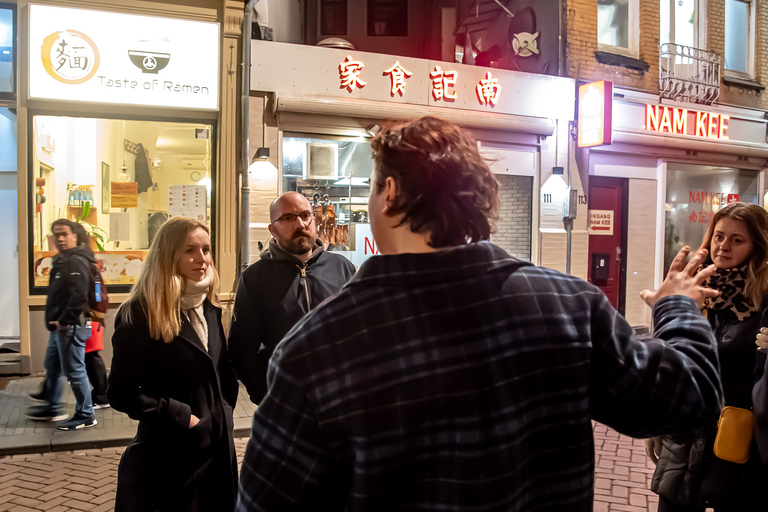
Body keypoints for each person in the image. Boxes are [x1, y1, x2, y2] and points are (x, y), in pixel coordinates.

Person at [235, 116, 724, 511]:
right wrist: (676, 306)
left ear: (388, 193)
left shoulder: (314, 348)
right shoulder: (569, 307)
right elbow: (691, 396)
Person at [108, 217, 239, 512]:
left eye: (206, 250)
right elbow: (121, 391)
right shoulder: (140, 313)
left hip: (217, 451)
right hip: (171, 457)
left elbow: (220, 370)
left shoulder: (210, 307)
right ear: (168, 255)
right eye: (190, 250)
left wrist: (224, 412)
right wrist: (181, 416)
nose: (202, 259)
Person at [644, 202, 768, 511]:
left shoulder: (764, 301)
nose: (723, 246)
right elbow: (672, 361)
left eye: (737, 240)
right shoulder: (694, 289)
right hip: (685, 436)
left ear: (757, 246)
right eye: (718, 236)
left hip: (737, 444)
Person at [228, 191, 355, 404]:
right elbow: (242, 347)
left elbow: (357, 333)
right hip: (286, 403)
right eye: (288, 218)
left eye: (306, 216)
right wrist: (264, 395)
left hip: (340, 398)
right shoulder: (255, 278)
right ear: (273, 229)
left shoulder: (342, 268)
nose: (300, 224)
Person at [27, 219, 96, 430]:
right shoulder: (62, 260)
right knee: (53, 367)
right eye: (56, 234)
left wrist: (64, 320)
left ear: (74, 236)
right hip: (59, 328)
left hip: (70, 326)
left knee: (75, 371)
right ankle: (52, 407)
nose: (60, 238)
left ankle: (86, 414)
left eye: (64, 234)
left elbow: (79, 296)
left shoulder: (76, 261)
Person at [70, 222, 110, 409]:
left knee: (91, 356)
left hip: (88, 316)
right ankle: (101, 394)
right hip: (91, 315)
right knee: (90, 356)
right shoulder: (88, 259)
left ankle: (102, 395)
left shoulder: (82, 261)